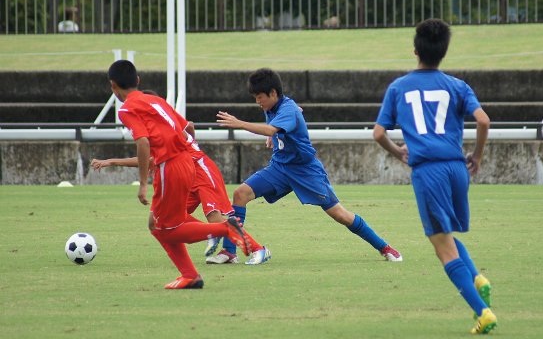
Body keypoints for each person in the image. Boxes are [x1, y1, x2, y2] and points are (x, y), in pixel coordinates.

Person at [372, 18, 496, 334]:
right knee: (446, 234)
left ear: (416, 50)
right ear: (443, 52)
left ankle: (483, 312)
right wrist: (477, 156)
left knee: (441, 246)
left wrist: (398, 152)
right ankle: (477, 278)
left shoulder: (399, 87)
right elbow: (483, 121)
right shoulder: (458, 86)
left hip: (429, 171)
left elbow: (378, 133)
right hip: (457, 168)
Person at [211, 67, 402, 264]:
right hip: (280, 167)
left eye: (260, 97)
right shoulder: (274, 107)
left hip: (305, 171)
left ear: (273, 93)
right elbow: (281, 123)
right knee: (240, 194)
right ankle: (230, 251)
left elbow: (277, 124)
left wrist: (243, 124)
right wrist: (273, 136)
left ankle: (384, 247)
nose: (258, 102)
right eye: (255, 98)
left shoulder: (288, 109)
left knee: (340, 215)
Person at [107, 59, 264, 289]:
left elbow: (143, 142)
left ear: (113, 85)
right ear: (137, 80)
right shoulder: (156, 100)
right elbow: (187, 126)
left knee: (167, 229)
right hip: (186, 162)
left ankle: (224, 229)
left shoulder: (127, 109)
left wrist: (142, 183)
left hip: (169, 166)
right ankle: (190, 275)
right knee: (156, 223)